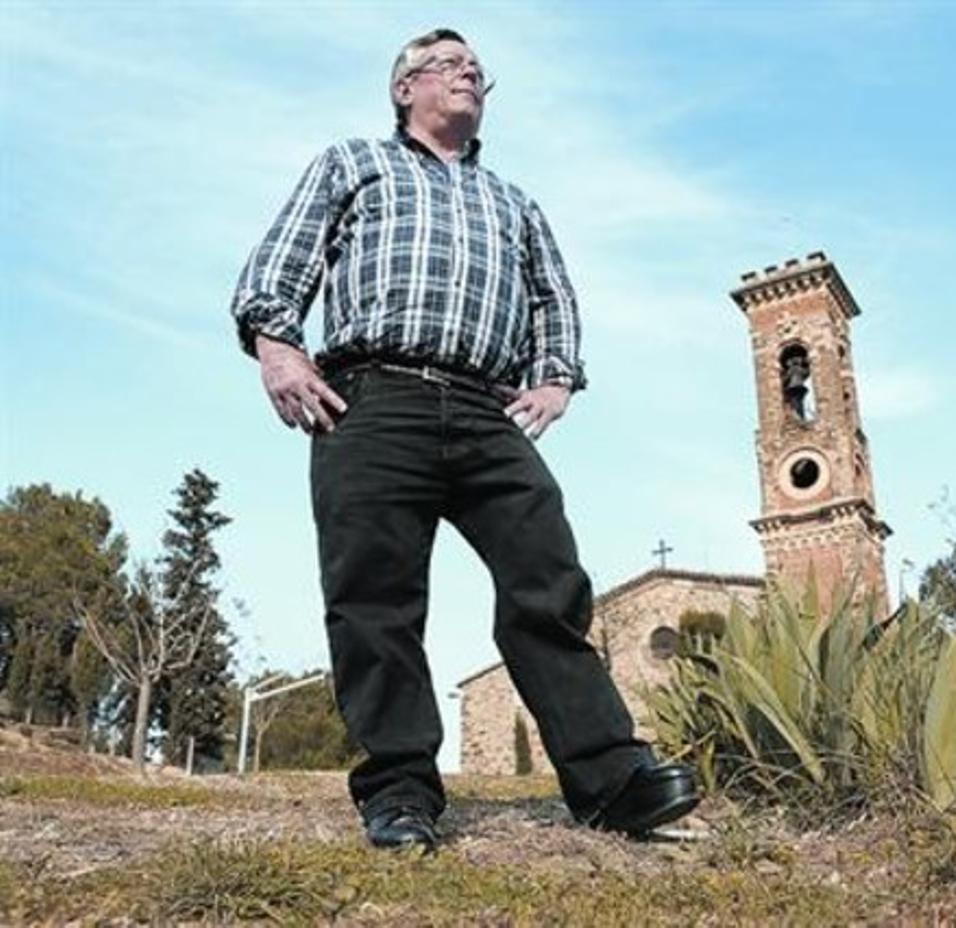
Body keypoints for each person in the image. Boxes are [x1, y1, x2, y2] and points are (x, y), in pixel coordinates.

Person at [230, 28, 699, 853]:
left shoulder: (516, 204)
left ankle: (611, 779)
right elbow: (281, 264)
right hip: (370, 398)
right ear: (404, 89)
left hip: (487, 410)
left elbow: (555, 296)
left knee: (547, 580)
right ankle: (402, 792)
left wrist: (555, 376)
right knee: (375, 599)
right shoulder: (353, 164)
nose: (469, 73)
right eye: (447, 64)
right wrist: (277, 346)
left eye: (478, 69)